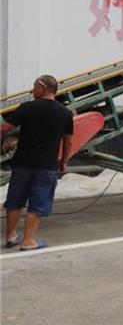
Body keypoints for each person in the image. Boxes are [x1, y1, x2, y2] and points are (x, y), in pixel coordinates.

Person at [2, 75, 73, 251]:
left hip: (22, 163)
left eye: (34, 87)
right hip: (46, 166)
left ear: (43, 88)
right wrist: (64, 163)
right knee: (38, 201)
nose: (32, 90)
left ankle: (11, 236)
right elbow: (68, 142)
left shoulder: (27, 108)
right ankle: (28, 241)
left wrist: (7, 139)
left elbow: (5, 127)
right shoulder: (65, 113)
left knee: (15, 199)